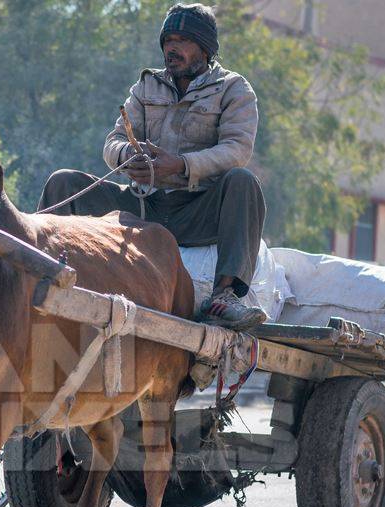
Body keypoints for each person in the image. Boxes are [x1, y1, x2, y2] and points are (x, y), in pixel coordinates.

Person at [37, 3, 267, 330]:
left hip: (196, 210)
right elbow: (113, 141)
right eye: (167, 40)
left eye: (182, 41)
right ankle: (39, 269)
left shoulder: (234, 89)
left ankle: (226, 296)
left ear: (205, 48)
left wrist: (181, 165)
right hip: (143, 206)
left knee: (244, 182)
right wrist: (129, 157)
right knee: (63, 183)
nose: (171, 48)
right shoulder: (147, 86)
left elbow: (237, 149)